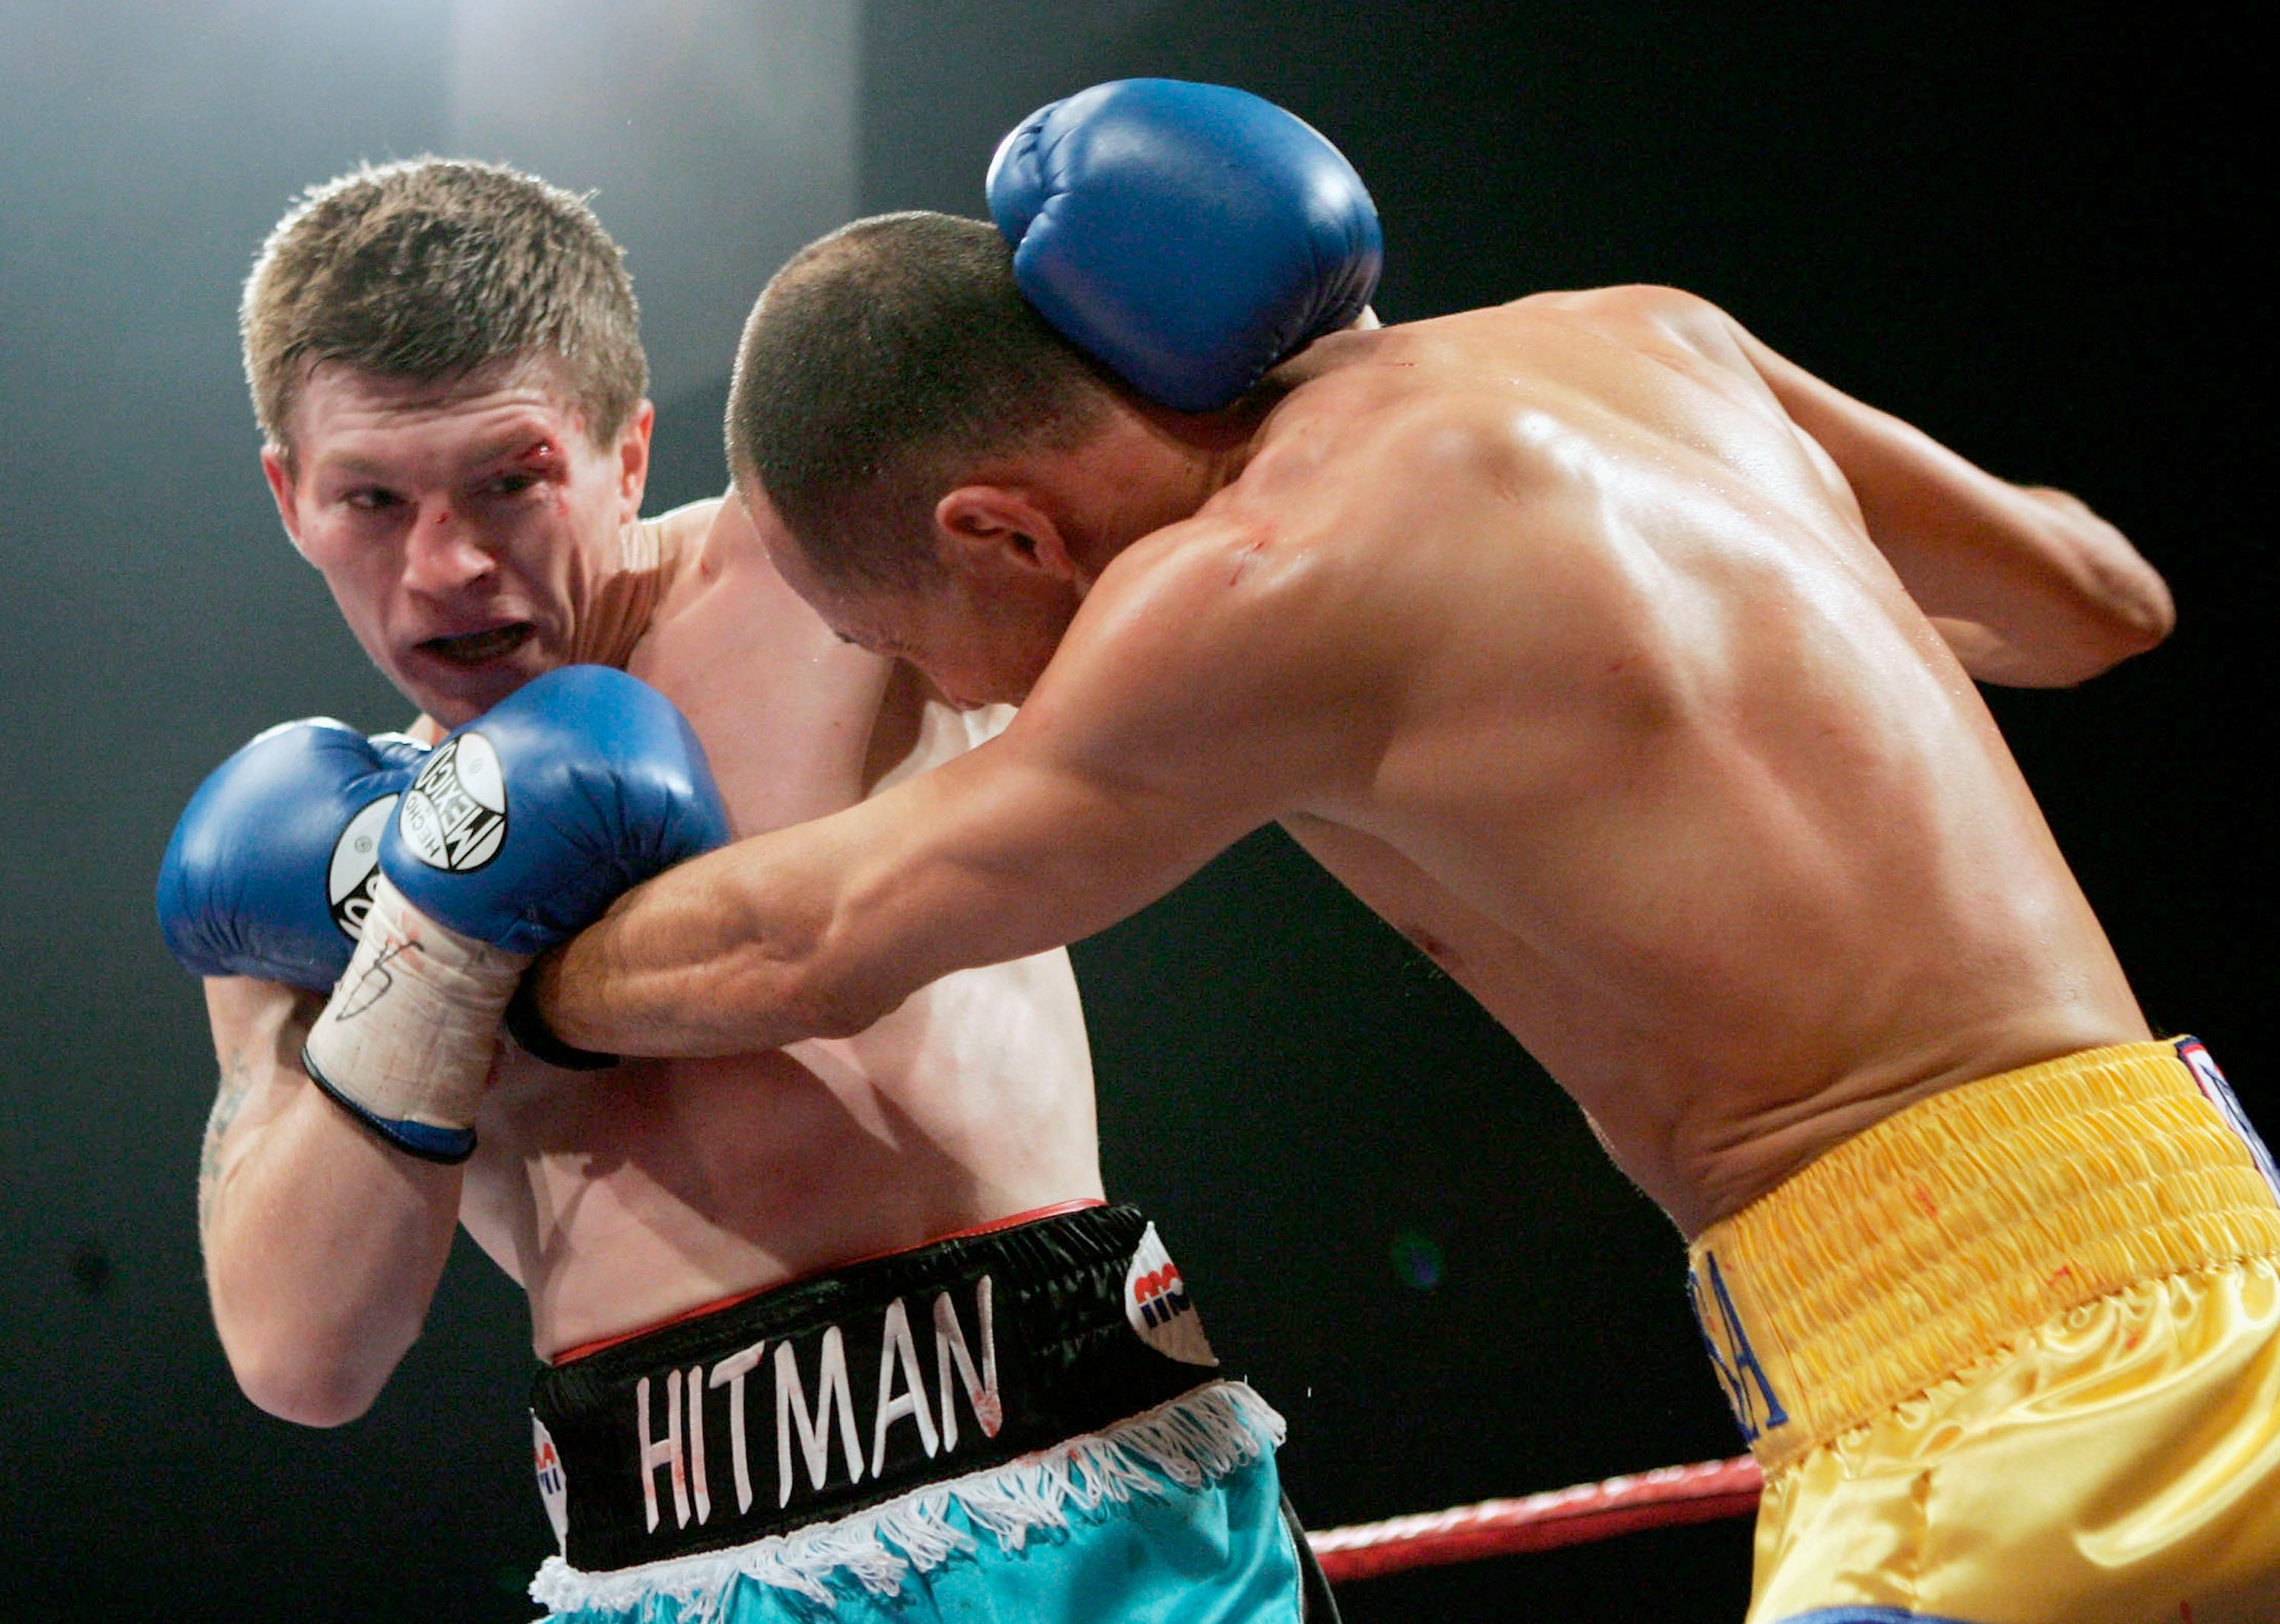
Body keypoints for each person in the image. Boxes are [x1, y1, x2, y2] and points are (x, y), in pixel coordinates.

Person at [520, 85, 2280, 1622]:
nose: (916, 685)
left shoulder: (1248, 589)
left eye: (885, 633)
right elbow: (2099, 603)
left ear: (995, 531)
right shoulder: (1654, 342)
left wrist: (454, 934)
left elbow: (814, 938)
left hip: (1995, 1392)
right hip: (2221, 1224)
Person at [158, 154, 1341, 1622]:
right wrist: (431, 929)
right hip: (672, 1563)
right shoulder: (308, 865)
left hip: (1073, 1494)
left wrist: (1318, 341)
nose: (446, 564)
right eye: (372, 502)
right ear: (288, 496)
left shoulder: (820, 566)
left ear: (628, 449)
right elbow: (301, 1359)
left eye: (510, 481)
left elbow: (1268, 550)